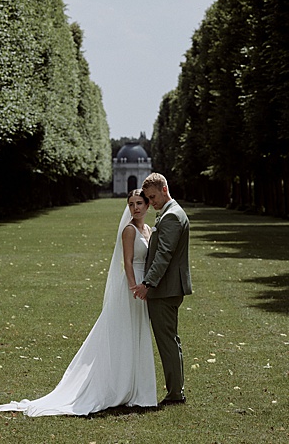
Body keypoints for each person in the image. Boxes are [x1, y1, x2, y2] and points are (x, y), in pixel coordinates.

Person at [0, 190, 156, 416]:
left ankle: (135, 385)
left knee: (136, 332)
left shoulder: (148, 230)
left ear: (147, 205)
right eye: (132, 204)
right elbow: (126, 262)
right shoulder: (129, 230)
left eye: (139, 203)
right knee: (123, 332)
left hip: (143, 286)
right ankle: (119, 384)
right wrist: (134, 287)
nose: (135, 208)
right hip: (131, 288)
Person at [132, 172, 191, 405]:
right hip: (168, 288)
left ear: (164, 189)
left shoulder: (172, 217)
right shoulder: (170, 213)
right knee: (169, 340)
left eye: (153, 196)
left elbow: (163, 255)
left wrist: (148, 283)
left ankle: (176, 393)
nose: (151, 202)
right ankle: (176, 390)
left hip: (165, 290)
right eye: (147, 197)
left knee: (167, 342)